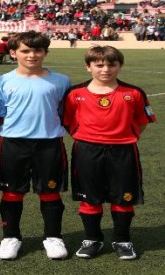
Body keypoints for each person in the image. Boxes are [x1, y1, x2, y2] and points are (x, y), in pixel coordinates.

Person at [63, 46, 156, 261]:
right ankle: (92, 239)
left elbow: (142, 122)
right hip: (87, 150)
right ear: (88, 67)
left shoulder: (133, 93)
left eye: (112, 64)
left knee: (124, 196)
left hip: (123, 150)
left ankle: (122, 239)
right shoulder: (75, 93)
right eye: (99, 65)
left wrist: (123, 136)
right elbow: (68, 122)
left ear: (119, 66)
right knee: (90, 196)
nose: (106, 69)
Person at [0, 31, 71, 260]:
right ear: (13, 53)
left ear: (45, 52)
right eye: (25, 50)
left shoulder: (61, 81)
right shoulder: (0, 82)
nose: (32, 55)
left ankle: (53, 237)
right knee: (12, 192)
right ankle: (10, 237)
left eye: (37, 50)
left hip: (49, 144)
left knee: (50, 192)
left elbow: (65, 113)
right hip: (13, 144)